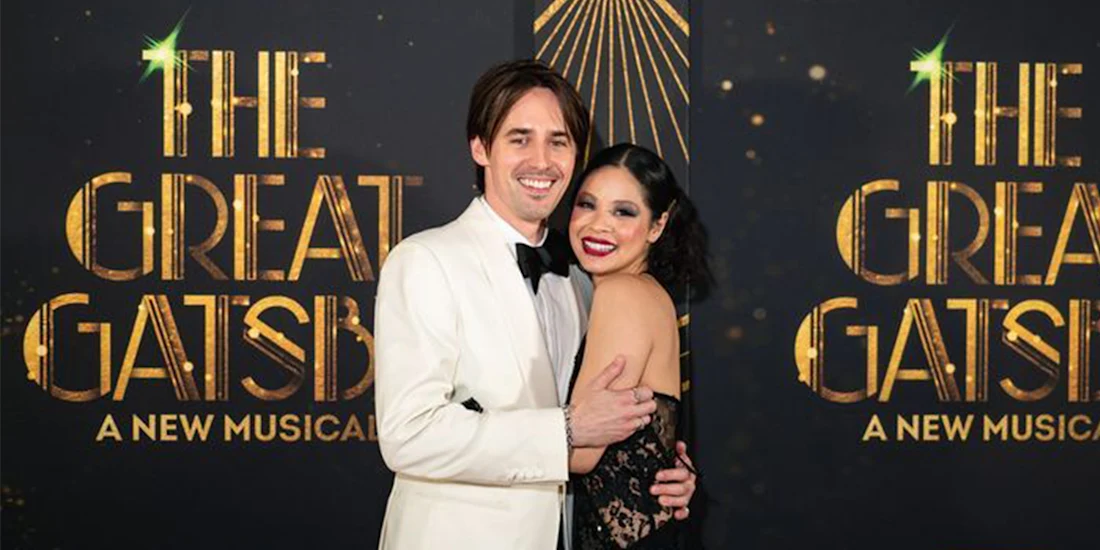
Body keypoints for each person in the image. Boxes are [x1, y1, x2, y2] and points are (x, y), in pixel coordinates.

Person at [374, 60, 696, 550]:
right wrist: (565, 430)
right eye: (519, 138)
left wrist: (659, 472)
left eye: (559, 141)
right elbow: (409, 435)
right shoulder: (425, 261)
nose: (541, 161)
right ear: (481, 147)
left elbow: (612, 433)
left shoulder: (584, 281)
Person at [565, 143, 710, 549]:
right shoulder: (639, 293)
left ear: (657, 226)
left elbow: (581, 453)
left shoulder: (623, 295)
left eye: (623, 212)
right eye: (587, 204)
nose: (598, 225)